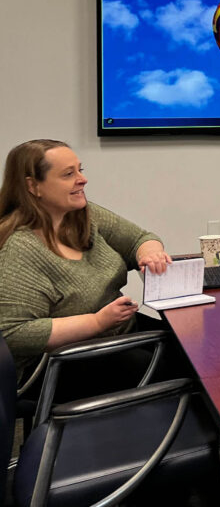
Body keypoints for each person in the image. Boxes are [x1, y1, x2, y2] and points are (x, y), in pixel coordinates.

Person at [0, 139, 173, 388]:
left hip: (117, 333)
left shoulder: (83, 215)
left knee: (195, 350)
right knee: (188, 373)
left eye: (80, 170)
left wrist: (151, 254)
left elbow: (140, 239)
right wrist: (96, 322)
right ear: (33, 186)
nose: (82, 180)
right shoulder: (19, 249)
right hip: (57, 363)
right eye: (68, 174)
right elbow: (14, 333)